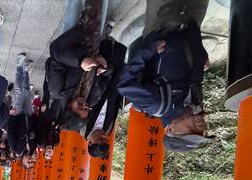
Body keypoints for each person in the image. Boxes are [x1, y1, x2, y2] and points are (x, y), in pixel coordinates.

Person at [117, 0, 213, 151]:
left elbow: (126, 85)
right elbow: (191, 74)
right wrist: (201, 57)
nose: (199, 127)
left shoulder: (156, 103)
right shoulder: (194, 105)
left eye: (191, 131)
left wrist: (149, 51)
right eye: (201, 132)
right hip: (191, 27)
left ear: (171, 130)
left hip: (162, 27)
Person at [46, 0, 126, 158]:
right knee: (98, 9)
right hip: (95, 42)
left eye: (79, 107)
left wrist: (79, 61)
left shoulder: (57, 89)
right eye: (86, 109)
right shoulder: (93, 100)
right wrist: (104, 66)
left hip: (75, 36)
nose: (85, 104)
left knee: (74, 7)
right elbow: (105, 79)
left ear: (68, 107)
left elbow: (55, 55)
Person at [7, 53, 43, 168]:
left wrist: (11, 116)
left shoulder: (16, 149)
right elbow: (37, 131)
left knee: (18, 91)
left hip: (17, 116)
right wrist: (36, 115)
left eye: (28, 162)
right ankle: (26, 71)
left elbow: (10, 132)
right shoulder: (33, 148)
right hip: (28, 116)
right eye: (32, 162)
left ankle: (19, 65)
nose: (30, 160)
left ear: (22, 161)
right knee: (27, 92)